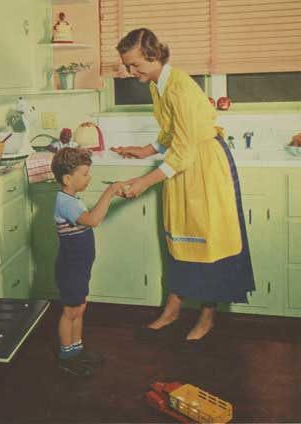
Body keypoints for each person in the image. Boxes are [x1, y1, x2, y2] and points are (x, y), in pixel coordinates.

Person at [112, 28, 255, 347]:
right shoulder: (157, 84)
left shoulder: (181, 89)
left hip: (204, 166)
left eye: (135, 65)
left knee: (209, 240)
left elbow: (185, 150)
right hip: (182, 167)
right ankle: (174, 308)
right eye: (127, 66)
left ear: (154, 55)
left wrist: (143, 181)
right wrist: (146, 150)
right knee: (179, 237)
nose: (130, 72)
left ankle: (207, 313)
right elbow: (170, 130)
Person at [51, 147, 123, 376]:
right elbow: (93, 220)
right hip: (71, 268)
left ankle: (77, 350)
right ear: (67, 178)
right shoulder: (66, 202)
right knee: (70, 311)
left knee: (79, 308)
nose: (88, 177)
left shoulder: (71, 198)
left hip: (79, 266)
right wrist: (109, 192)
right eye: (84, 174)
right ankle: (66, 356)